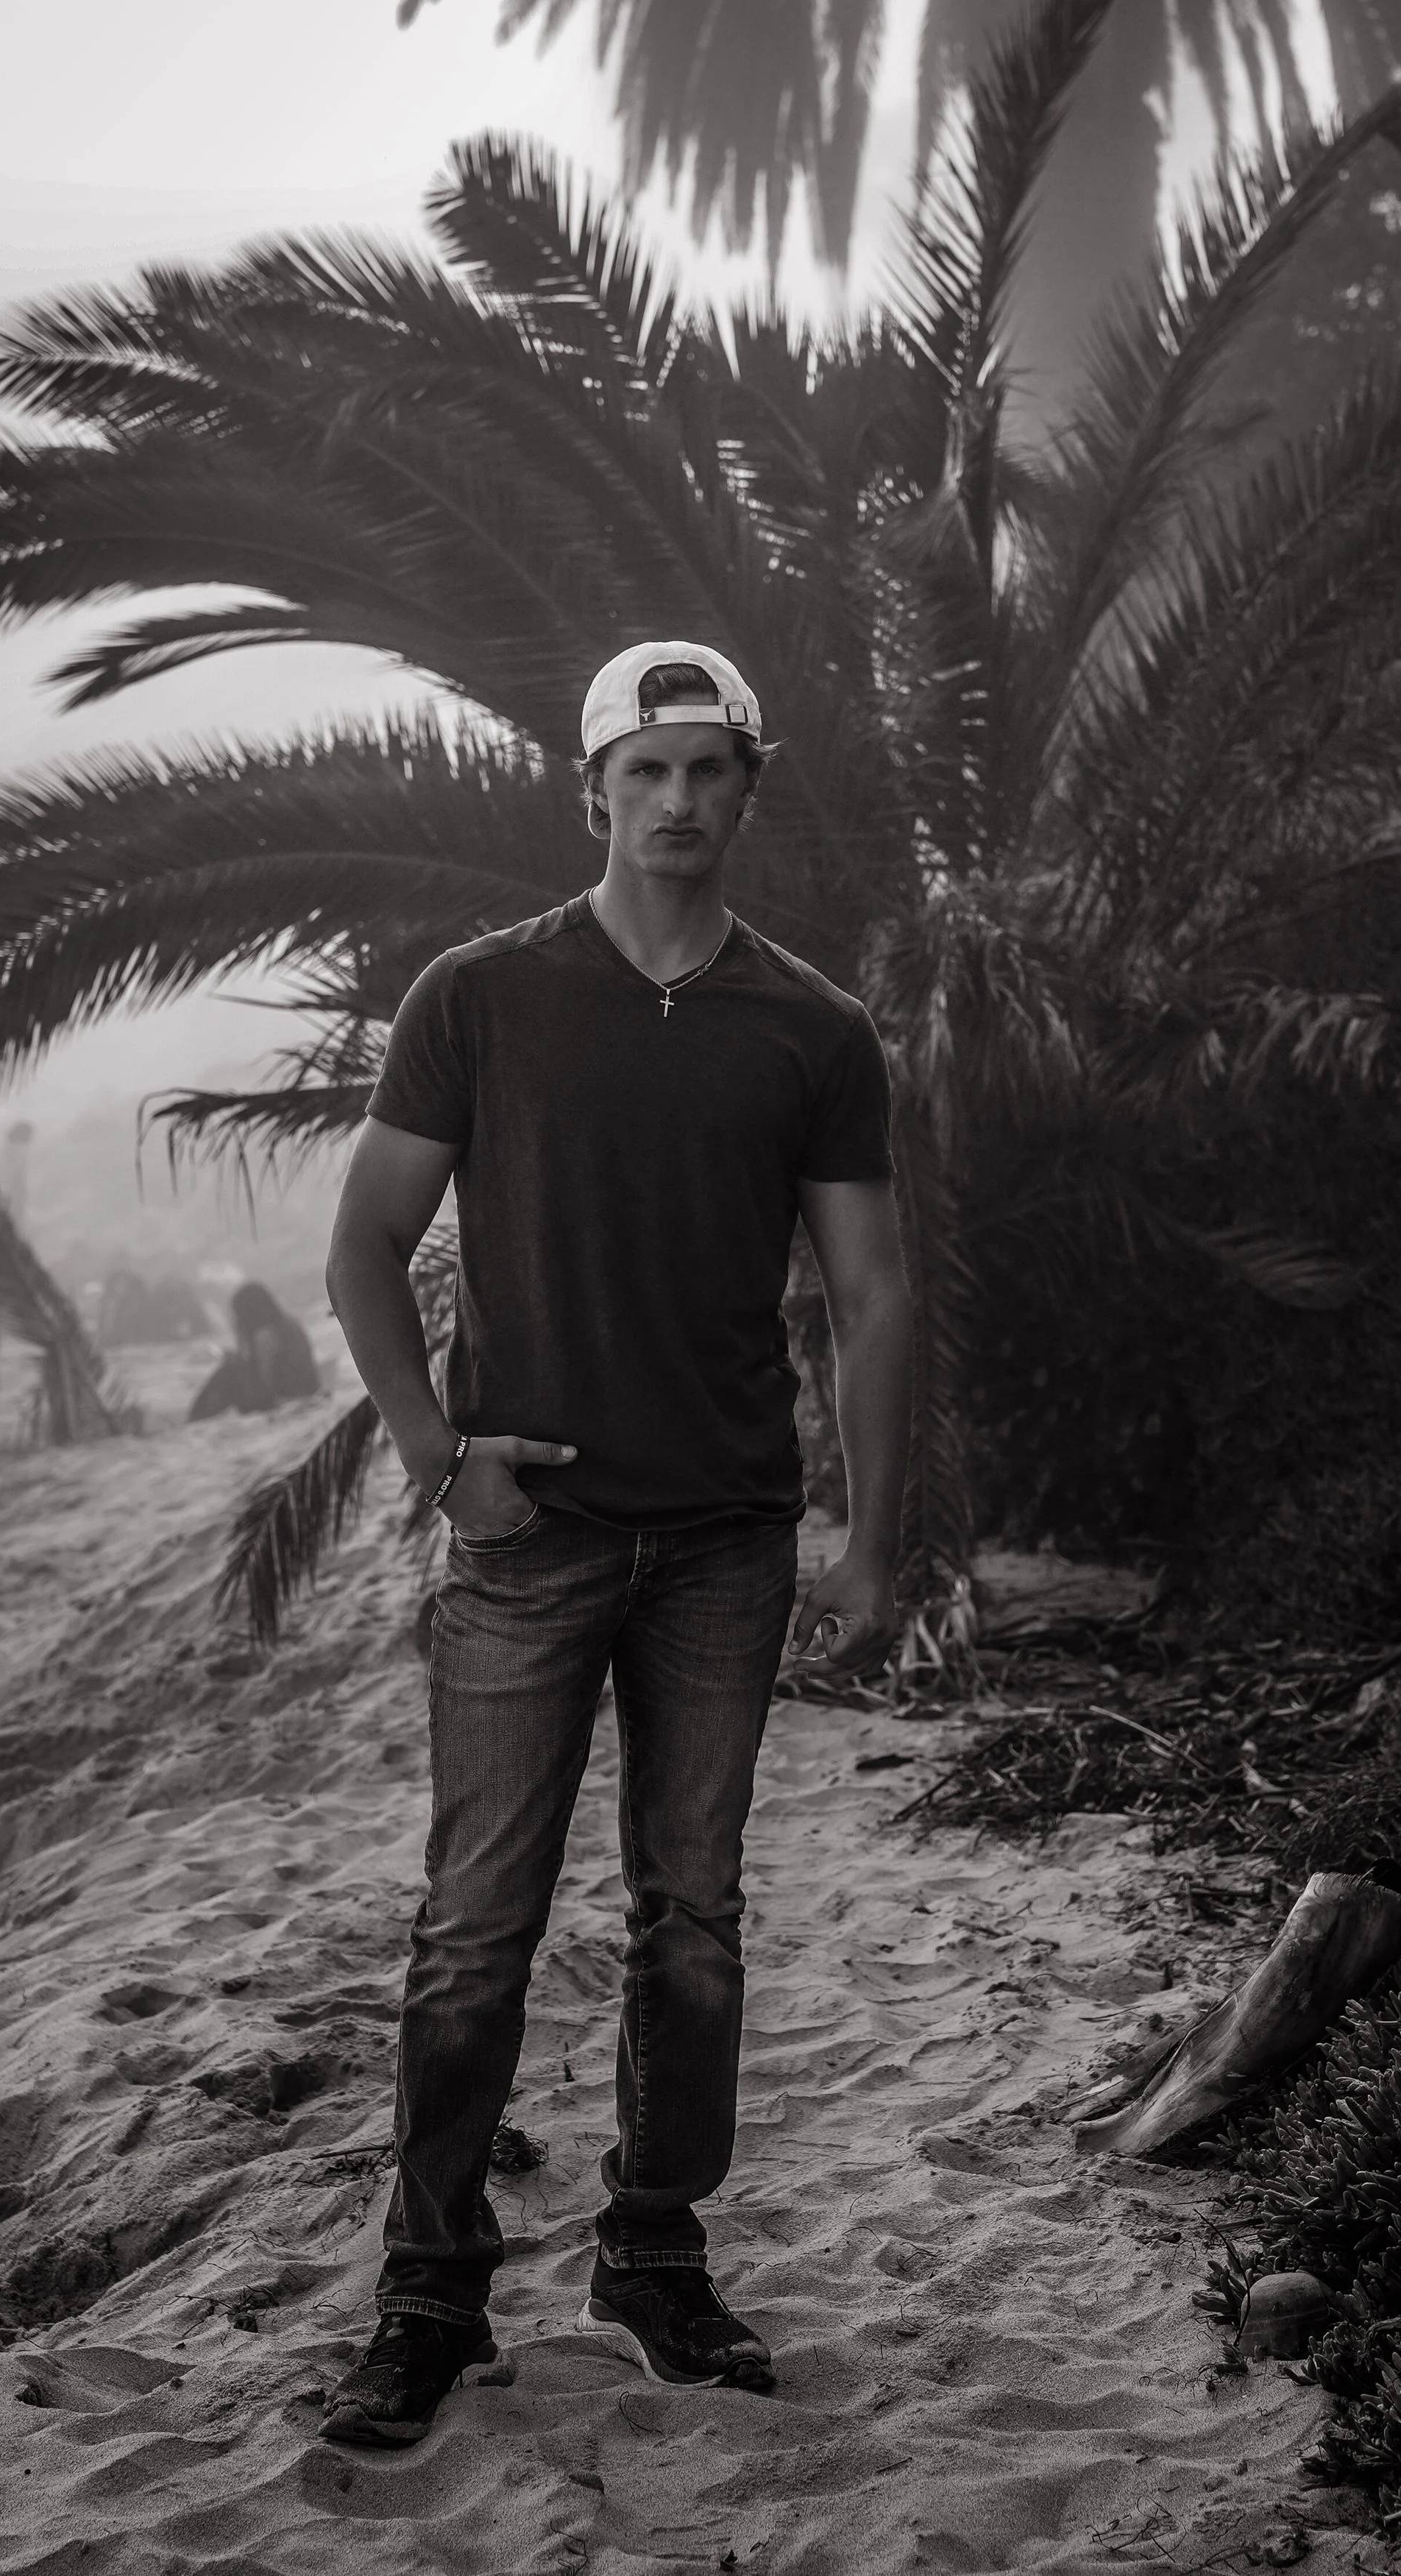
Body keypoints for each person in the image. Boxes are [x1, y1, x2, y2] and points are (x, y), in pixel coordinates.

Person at [321, 640, 912, 2445]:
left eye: (708, 769)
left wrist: (869, 1544)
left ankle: (652, 2260)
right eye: (645, 770)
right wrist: (441, 1459)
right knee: (471, 1931)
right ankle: (431, 2299)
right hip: (532, 1541)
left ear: (746, 788)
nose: (676, 800)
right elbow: (362, 1247)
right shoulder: (478, 997)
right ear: (591, 788)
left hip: (726, 1542)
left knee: (694, 1924)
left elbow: (872, 1296)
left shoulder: (811, 1028)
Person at [188, 1280, 319, 1419]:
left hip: (283, 1403)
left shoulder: (265, 1338)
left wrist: (239, 1365)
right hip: (309, 1393)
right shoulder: (290, 1326)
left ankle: (196, 1419)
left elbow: (267, 1387)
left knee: (226, 1374)